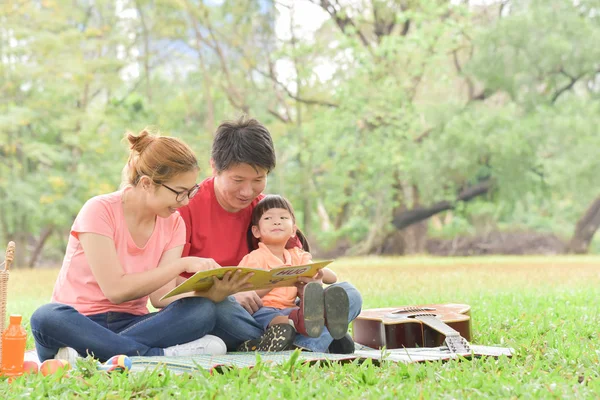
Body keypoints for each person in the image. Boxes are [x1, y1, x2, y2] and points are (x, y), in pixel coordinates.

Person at [30, 129, 253, 363]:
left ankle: (91, 354)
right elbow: (116, 291)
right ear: (147, 183)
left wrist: (209, 294)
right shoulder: (98, 210)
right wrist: (183, 264)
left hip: (132, 322)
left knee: (203, 310)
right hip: (78, 323)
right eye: (180, 193)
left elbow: (161, 298)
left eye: (191, 191)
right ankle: (156, 355)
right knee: (45, 317)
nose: (186, 201)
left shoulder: (174, 222)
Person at [178, 116, 362, 354]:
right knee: (214, 308)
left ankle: (298, 346)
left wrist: (309, 286)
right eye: (238, 180)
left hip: (284, 312)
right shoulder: (185, 208)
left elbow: (299, 267)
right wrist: (227, 294)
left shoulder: (268, 211)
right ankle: (316, 340)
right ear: (214, 167)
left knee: (349, 295)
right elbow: (169, 287)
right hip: (232, 313)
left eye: (258, 180)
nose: (247, 191)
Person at [236, 195, 350, 352]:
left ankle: (314, 328)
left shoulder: (297, 255)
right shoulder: (255, 258)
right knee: (273, 317)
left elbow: (332, 278)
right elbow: (246, 294)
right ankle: (323, 333)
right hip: (264, 311)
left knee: (347, 291)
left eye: (283, 217)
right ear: (256, 231)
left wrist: (316, 272)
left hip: (292, 309)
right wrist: (273, 280)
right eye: (268, 218)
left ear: (293, 231)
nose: (277, 222)